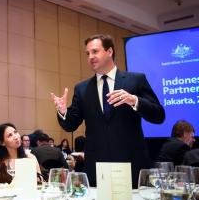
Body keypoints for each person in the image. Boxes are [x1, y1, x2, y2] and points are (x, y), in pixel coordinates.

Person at [51, 34, 165, 187]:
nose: (90, 57)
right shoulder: (82, 88)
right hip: (97, 168)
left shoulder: (135, 80)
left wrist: (134, 100)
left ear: (109, 51)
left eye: (95, 51)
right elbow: (71, 124)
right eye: (87, 53)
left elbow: (159, 115)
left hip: (131, 163)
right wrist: (63, 111)